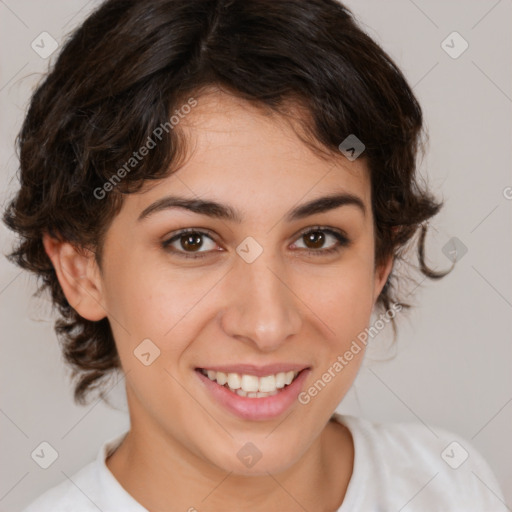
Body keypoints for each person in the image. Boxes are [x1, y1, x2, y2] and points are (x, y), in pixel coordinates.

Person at [3, 0, 506, 510]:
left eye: (317, 238)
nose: (267, 324)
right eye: (192, 241)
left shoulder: (449, 485)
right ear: (82, 271)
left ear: (381, 261)